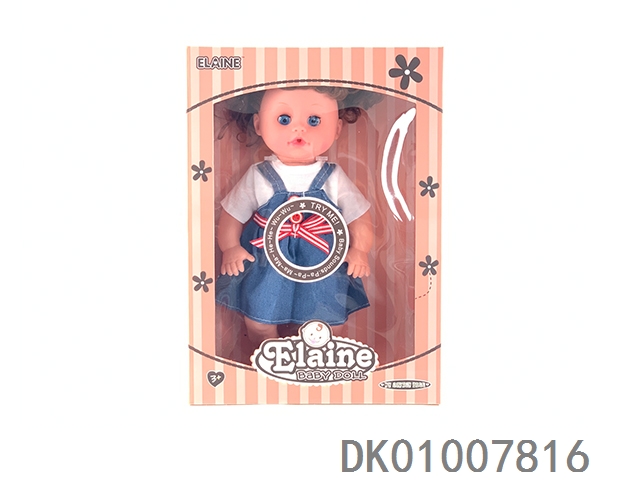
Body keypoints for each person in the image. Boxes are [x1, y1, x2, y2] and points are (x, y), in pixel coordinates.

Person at [215, 87, 374, 345]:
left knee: (327, 321)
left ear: (337, 128)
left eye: (314, 120)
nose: (299, 128)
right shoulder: (259, 176)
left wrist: (360, 249)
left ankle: (318, 354)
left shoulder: (333, 178)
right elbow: (232, 213)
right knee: (259, 318)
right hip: (267, 260)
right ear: (258, 124)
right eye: (284, 119)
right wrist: (230, 247)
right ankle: (267, 351)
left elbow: (359, 216)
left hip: (322, 260)